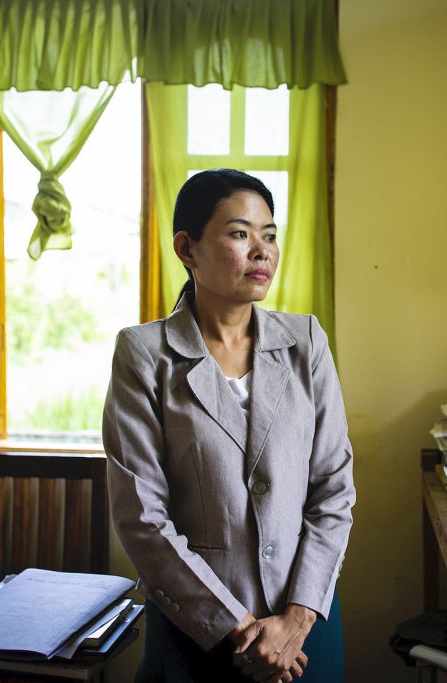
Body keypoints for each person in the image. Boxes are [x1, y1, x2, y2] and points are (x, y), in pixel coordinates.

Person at [103, 168, 355, 683]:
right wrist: (240, 631)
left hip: (304, 631)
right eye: (240, 234)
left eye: (269, 235)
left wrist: (295, 621)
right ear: (186, 248)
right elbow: (142, 516)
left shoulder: (306, 343)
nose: (261, 250)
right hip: (198, 634)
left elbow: (334, 489)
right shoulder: (144, 354)